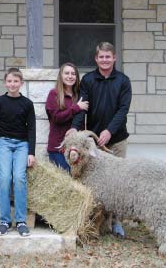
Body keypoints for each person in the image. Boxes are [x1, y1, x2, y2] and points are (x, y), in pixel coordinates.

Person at [69, 42, 132, 238]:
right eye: (101, 57)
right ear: (96, 59)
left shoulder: (123, 81)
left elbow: (123, 110)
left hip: (117, 138)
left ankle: (117, 222)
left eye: (108, 56)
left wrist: (110, 131)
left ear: (114, 58)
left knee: (118, 182)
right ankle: (97, 223)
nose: (104, 60)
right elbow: (83, 107)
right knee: (96, 184)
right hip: (94, 143)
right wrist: (74, 127)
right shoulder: (88, 80)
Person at [0, 68, 36, 237]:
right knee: (4, 178)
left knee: (19, 178)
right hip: (4, 144)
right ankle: (4, 221)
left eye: (16, 81)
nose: (12, 84)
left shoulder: (27, 104)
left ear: (21, 83)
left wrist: (31, 152)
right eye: (9, 81)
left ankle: (21, 221)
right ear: (5, 83)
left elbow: (31, 129)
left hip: (22, 145)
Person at [45, 62, 89, 172]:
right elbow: (56, 118)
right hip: (58, 147)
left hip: (77, 147)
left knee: (78, 180)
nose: (70, 76)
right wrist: (76, 107)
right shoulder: (54, 94)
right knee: (66, 178)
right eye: (67, 73)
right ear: (61, 75)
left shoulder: (79, 95)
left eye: (73, 74)